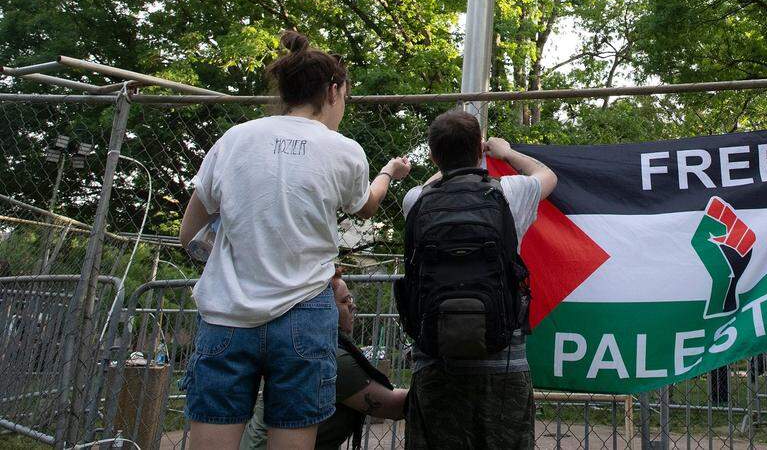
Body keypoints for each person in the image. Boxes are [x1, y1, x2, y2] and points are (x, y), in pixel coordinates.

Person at [178, 31, 411, 450]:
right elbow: (367, 206)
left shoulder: (235, 139)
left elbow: (188, 232)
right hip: (303, 314)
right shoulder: (344, 149)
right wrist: (390, 173)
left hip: (227, 312)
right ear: (334, 90)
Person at [400, 109, 557, 450]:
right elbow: (547, 175)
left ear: (432, 155)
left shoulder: (416, 201)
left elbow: (427, 184)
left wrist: (445, 164)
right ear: (479, 150)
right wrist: (506, 151)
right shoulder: (509, 193)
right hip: (503, 363)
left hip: (434, 360)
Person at [240, 267, 407, 450]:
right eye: (345, 301)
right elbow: (394, 406)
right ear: (322, 308)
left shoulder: (311, 343)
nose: (353, 305)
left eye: (351, 298)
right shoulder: (328, 357)